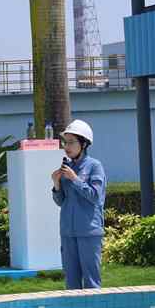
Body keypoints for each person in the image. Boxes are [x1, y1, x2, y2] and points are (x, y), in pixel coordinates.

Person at [50, 119, 106, 289]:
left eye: (71, 142)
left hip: (88, 232)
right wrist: (56, 184)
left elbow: (95, 196)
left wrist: (75, 179)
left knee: (91, 282)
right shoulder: (67, 168)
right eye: (65, 142)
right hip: (68, 232)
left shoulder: (95, 166)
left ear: (84, 144)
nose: (66, 146)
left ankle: (94, 307)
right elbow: (61, 201)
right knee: (71, 283)